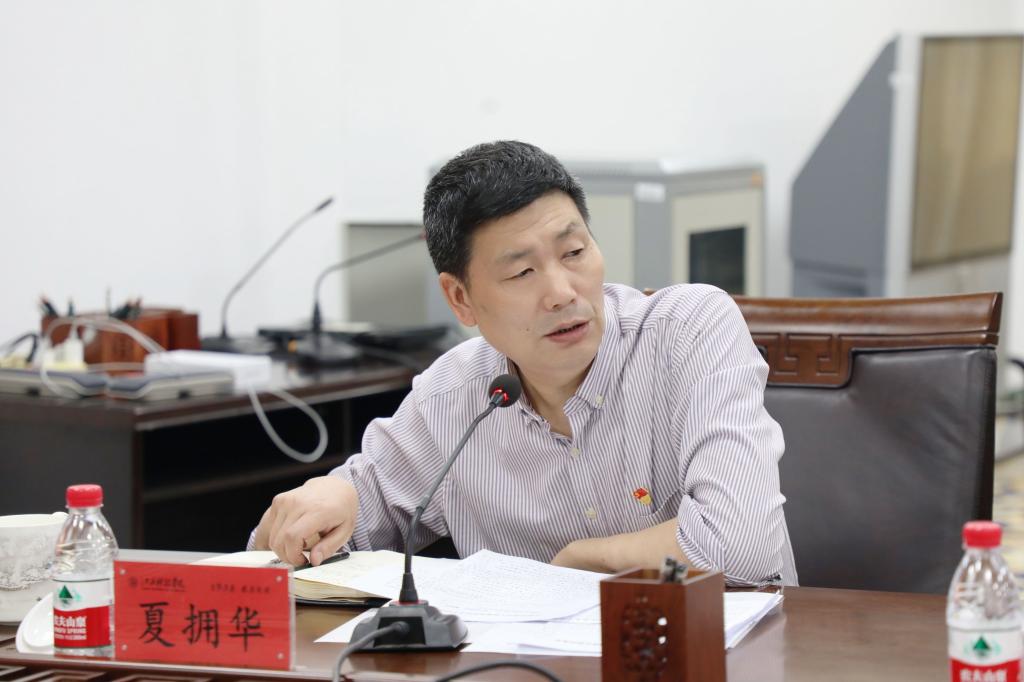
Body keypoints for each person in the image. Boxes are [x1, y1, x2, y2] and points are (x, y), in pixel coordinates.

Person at [253, 140, 797, 586]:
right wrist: (321, 508)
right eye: (521, 273)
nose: (562, 292)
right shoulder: (455, 398)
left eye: (574, 252)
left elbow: (741, 550)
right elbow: (292, 555)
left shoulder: (689, 332)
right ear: (461, 299)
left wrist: (585, 560)